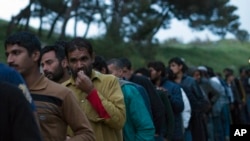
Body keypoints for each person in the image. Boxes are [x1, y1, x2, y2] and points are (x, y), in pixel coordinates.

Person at [4, 31, 95, 141]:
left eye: (16, 53)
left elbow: (87, 134)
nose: (10, 60)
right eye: (7, 54)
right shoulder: (6, 91)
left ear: (35, 55)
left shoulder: (61, 93)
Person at [62, 37, 126, 141]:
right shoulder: (63, 89)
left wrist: (91, 91)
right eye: (73, 61)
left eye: (84, 59)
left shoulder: (110, 81)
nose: (79, 66)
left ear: (92, 58)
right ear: (67, 62)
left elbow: (118, 121)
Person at [106, 58, 155, 141]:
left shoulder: (133, 89)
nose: (107, 76)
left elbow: (146, 123)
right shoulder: (104, 89)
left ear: (120, 72)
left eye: (110, 73)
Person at [119, 57, 165, 141]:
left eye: (125, 71)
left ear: (131, 70)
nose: (122, 74)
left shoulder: (141, 81)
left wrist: (156, 131)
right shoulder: (117, 86)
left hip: (145, 131)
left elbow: (157, 106)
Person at [168, 57, 210, 141]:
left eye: (173, 65)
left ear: (180, 67)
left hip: (192, 116)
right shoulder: (170, 82)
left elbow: (200, 98)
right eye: (170, 66)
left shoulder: (190, 81)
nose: (171, 68)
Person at [147, 61, 185, 141]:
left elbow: (179, 107)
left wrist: (167, 95)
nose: (149, 73)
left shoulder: (173, 87)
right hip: (156, 132)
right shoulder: (149, 87)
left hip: (172, 132)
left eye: (151, 71)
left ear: (159, 72)